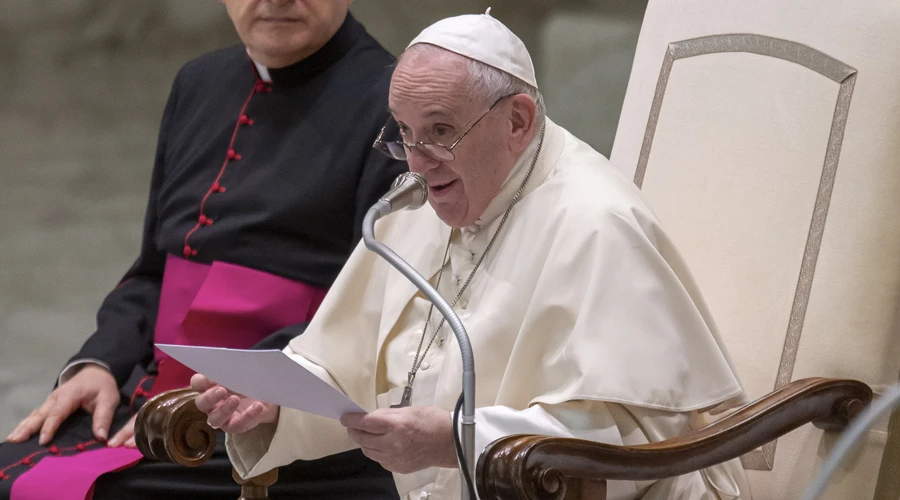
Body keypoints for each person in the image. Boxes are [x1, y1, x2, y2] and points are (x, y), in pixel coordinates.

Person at [191, 10, 753, 500]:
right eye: (404, 133)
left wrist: (455, 440)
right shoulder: (417, 208)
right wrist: (273, 402)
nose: (415, 163)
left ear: (518, 122)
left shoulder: (595, 223)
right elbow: (345, 364)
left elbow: (636, 441)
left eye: (440, 131)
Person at [0, 1, 407, 499]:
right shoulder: (198, 82)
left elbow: (382, 310)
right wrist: (98, 363)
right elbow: (153, 271)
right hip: (153, 395)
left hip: (290, 420)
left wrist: (235, 387)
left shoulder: (398, 104)